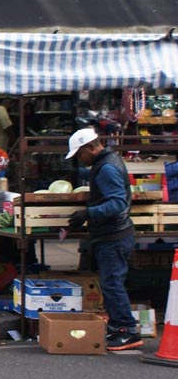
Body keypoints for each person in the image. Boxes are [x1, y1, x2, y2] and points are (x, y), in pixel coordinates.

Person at [65, 128, 143, 352]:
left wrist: (88, 213)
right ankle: (119, 327)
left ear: (91, 147)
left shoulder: (107, 168)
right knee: (111, 284)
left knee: (112, 284)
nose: (81, 159)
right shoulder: (106, 163)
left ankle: (127, 330)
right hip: (113, 235)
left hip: (114, 236)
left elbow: (117, 203)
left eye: (80, 154)